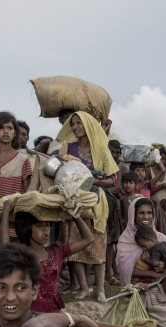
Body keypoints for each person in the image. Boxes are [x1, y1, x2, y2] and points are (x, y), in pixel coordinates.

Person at [55, 111, 117, 302]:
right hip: (73, 200)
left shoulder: (101, 148)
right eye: (72, 124)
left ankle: (99, 290)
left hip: (96, 202)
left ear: (88, 125)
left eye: (78, 123)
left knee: (97, 246)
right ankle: (83, 287)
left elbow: (112, 180)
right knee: (75, 245)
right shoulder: (68, 149)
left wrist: (91, 180)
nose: (75, 127)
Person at [0, 199, 94, 313]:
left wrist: (74, 214)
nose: (45, 229)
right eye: (39, 225)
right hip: (29, 312)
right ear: (27, 228)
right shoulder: (21, 253)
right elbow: (4, 246)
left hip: (54, 311)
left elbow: (88, 239)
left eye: (48, 225)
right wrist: (6, 211)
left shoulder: (57, 250)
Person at [0, 111, 34, 254]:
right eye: (1, 127)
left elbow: (26, 197)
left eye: (10, 128)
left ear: (15, 132)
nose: (6, 131)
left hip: (13, 226)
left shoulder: (22, 160)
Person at [117, 197, 166, 285]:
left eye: (149, 213)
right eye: (141, 213)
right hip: (138, 287)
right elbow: (124, 269)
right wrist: (153, 274)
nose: (146, 217)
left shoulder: (159, 237)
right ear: (133, 215)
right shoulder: (126, 239)